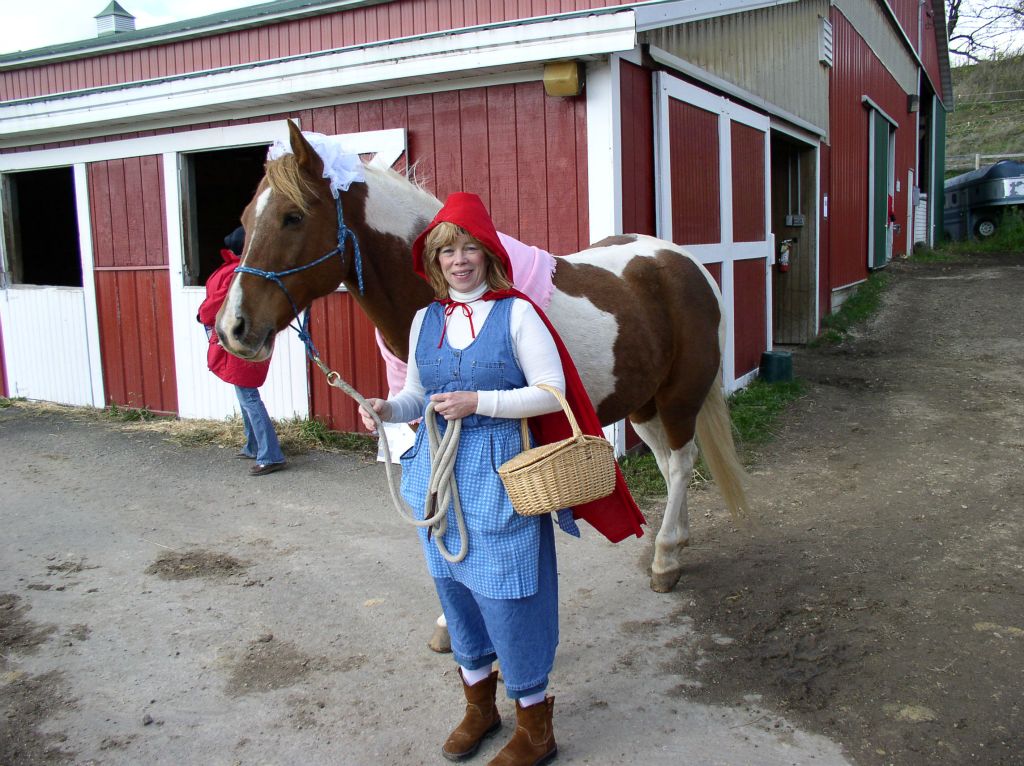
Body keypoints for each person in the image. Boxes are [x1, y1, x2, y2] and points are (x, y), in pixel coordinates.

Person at [359, 193, 644, 765]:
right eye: (447, 251)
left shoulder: (518, 313)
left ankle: (535, 726)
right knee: (455, 591)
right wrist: (385, 409)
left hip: (500, 473)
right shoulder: (424, 321)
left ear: (488, 255)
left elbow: (551, 392)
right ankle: (479, 708)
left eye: (469, 248)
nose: (459, 260)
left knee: (512, 594)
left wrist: (480, 402)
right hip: (437, 477)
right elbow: (416, 394)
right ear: (435, 261)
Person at [197, 226, 286, 477]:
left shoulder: (236, 272)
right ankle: (253, 445)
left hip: (236, 334)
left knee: (248, 396)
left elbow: (218, 302)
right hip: (237, 333)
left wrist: (202, 316)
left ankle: (271, 455)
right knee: (243, 393)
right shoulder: (240, 269)